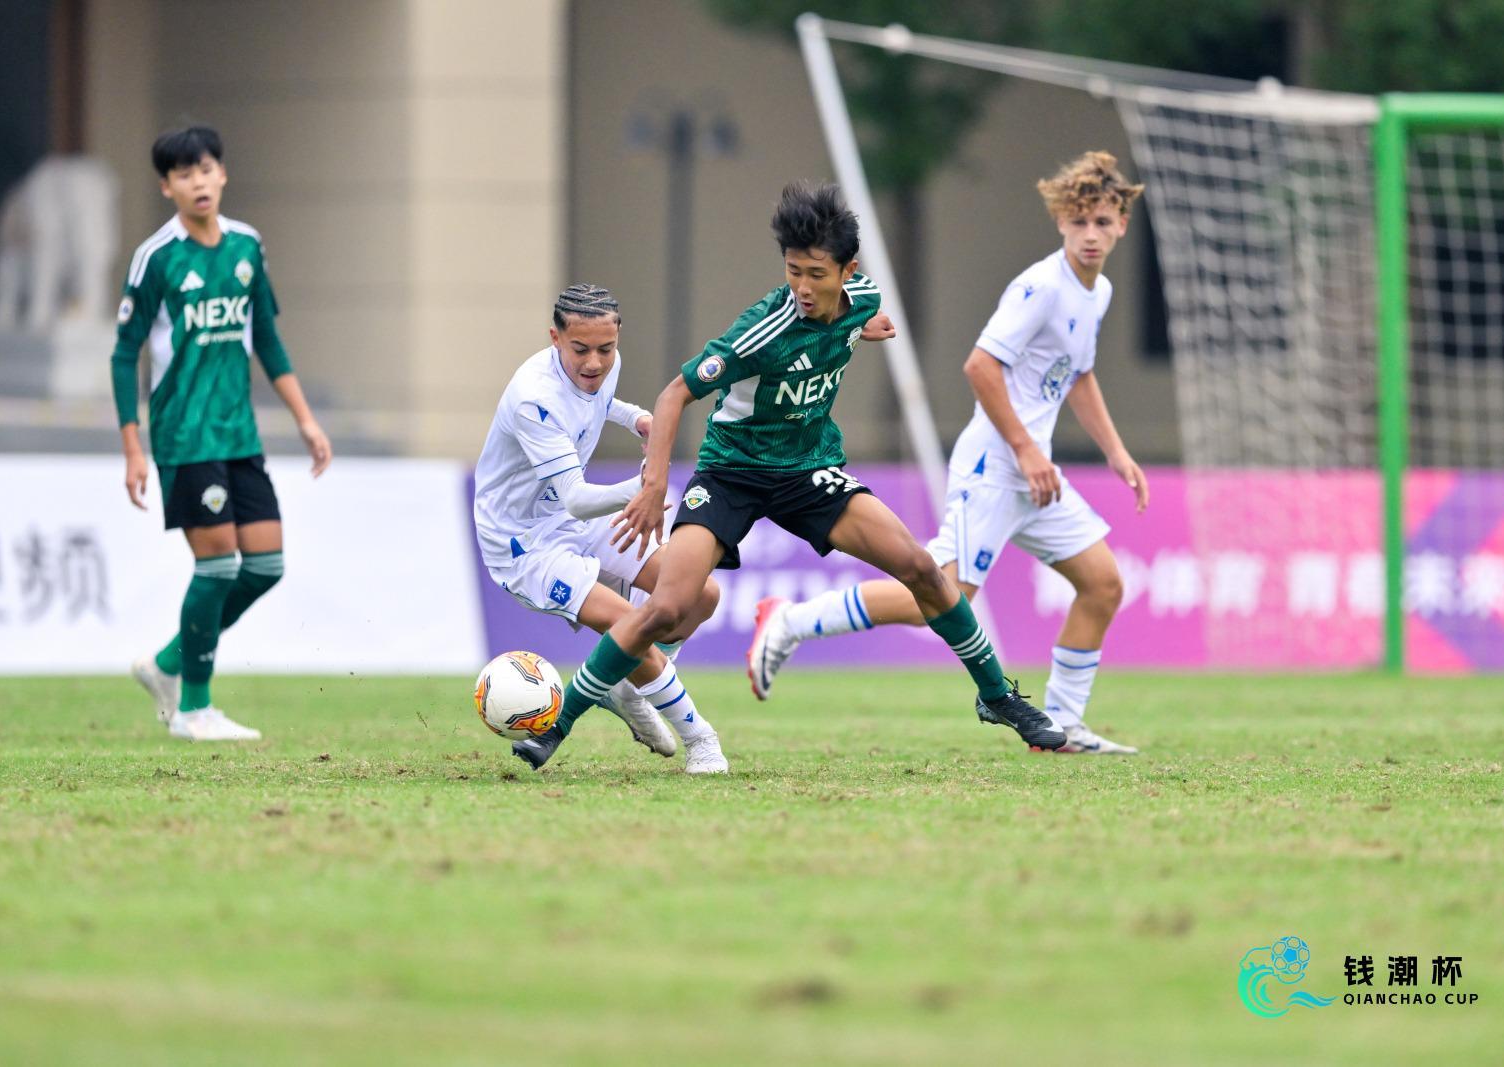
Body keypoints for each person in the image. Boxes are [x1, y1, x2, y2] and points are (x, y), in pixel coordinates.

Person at [512, 180, 1066, 771]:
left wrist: (859, 329)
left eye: (816, 274)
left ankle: (997, 696)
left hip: (809, 470)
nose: (802, 287)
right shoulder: (763, 329)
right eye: (793, 271)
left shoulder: (864, 296)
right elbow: (674, 395)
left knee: (922, 569)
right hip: (731, 473)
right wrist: (653, 487)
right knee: (667, 608)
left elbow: (856, 316)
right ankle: (558, 728)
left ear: (847, 270)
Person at [749, 151, 1148, 754]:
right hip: (997, 466)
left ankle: (1064, 725)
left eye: (1104, 221)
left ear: (1121, 224)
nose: (1092, 233)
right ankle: (791, 621)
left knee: (1102, 584)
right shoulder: (1041, 287)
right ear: (1062, 223)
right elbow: (980, 365)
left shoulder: (1098, 292)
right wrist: (1026, 450)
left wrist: (1116, 453)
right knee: (941, 599)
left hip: (1034, 474)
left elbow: (1080, 374)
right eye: (1080, 221)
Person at [113, 125, 332, 741]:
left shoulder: (247, 246)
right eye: (183, 174)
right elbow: (122, 354)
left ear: (223, 175)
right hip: (184, 435)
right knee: (215, 566)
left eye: (206, 169)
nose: (198, 182)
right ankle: (193, 709)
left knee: (265, 566)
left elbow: (266, 337)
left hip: (239, 433)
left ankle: (166, 664)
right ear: (167, 187)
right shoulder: (157, 258)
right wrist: (133, 446)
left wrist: (305, 419)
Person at [473, 283, 729, 774]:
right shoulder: (534, 399)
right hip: (524, 543)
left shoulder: (604, 364)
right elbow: (576, 495)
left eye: (605, 349)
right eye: (580, 350)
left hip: (573, 520)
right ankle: (702, 740)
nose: (594, 362)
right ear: (555, 338)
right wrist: (644, 487)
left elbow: (598, 402)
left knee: (700, 595)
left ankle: (625, 684)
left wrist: (637, 418)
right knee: (625, 623)